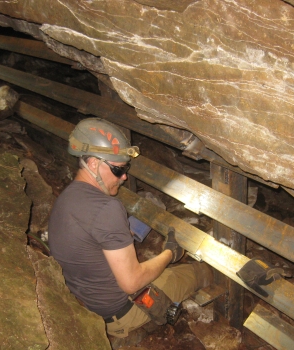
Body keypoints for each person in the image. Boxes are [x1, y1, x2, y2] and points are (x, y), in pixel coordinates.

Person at [48, 118, 212, 341]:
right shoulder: (107, 208)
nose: (124, 176)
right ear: (94, 164)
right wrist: (170, 254)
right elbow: (131, 283)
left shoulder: (67, 198)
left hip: (87, 300)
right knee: (193, 274)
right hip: (119, 313)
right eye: (118, 169)